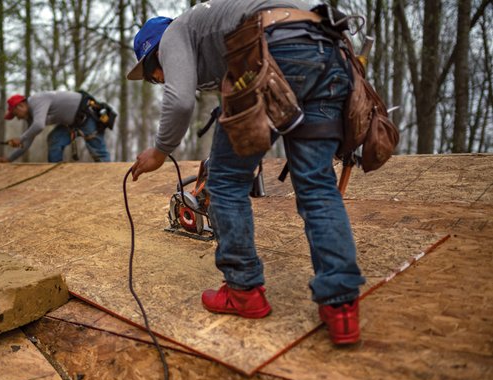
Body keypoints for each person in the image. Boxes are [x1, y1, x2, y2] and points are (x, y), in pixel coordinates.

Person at [127, 0, 366, 345]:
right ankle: (342, 307)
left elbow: (179, 102)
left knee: (224, 183)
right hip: (328, 52)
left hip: (274, 51)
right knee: (316, 185)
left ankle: (244, 291)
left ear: (155, 54)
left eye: (154, 75)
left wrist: (161, 150)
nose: (160, 80)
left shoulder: (174, 33)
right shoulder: (219, 27)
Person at [0, 91, 112, 163]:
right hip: (72, 123)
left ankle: (111, 184)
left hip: (87, 117)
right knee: (55, 140)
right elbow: (27, 142)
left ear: (21, 106)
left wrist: (20, 138)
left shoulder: (36, 101)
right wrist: (9, 159)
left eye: (15, 114)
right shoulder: (31, 116)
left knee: (100, 155)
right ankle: (57, 176)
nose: (17, 118)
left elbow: (39, 125)